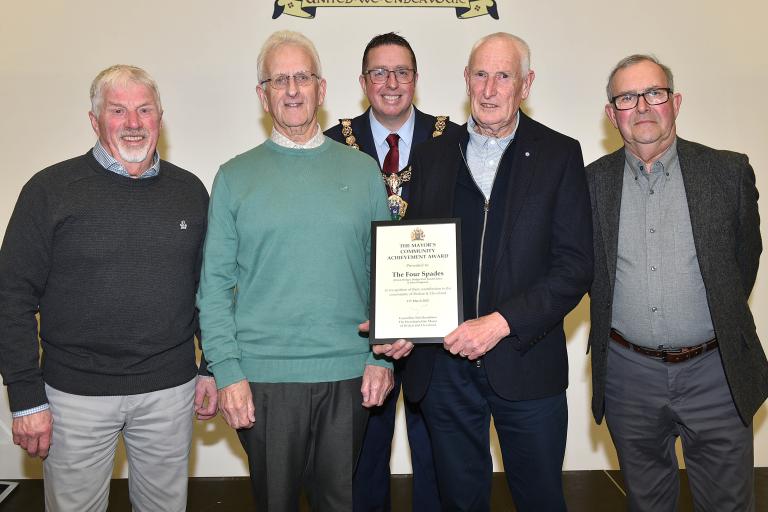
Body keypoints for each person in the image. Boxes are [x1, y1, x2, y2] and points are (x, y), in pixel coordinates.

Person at [378, 32, 593, 511]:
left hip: (525, 363)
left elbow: (575, 267)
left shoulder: (559, 154)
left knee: (540, 499)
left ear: (526, 84)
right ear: (465, 80)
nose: (490, 89)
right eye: (481, 74)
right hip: (446, 369)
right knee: (458, 500)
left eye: (504, 76)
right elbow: (416, 250)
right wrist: (406, 323)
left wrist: (501, 323)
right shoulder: (433, 153)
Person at [0, 64, 217, 512]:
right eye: (118, 111)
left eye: (145, 110)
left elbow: (208, 290)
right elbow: (11, 296)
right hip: (73, 397)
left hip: (169, 392)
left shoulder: (190, 192)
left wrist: (210, 365)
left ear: (160, 117)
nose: (134, 123)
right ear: (95, 120)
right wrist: (24, 398)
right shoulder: (49, 191)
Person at [196, 30, 392, 512]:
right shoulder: (233, 177)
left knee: (340, 503)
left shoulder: (365, 171)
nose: (292, 89)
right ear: (262, 95)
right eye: (278, 79)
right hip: (263, 380)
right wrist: (227, 373)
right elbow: (214, 287)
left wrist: (382, 358)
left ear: (322, 89)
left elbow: (385, 275)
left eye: (302, 76)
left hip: (349, 375)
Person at [586, 54, 767, 511]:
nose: (643, 106)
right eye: (627, 97)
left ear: (676, 102)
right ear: (612, 113)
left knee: (728, 503)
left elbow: (745, 260)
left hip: (716, 372)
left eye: (655, 93)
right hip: (629, 375)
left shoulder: (727, 172)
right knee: (647, 502)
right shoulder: (591, 182)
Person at [325, 32, 457, 512]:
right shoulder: (333, 142)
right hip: (361, 332)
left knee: (440, 460)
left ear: (416, 80)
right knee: (360, 460)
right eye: (379, 73)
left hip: (436, 334)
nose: (391, 83)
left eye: (401, 72)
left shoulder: (452, 138)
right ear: (363, 82)